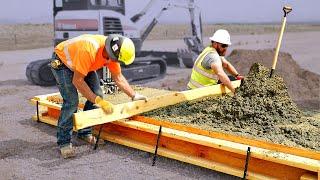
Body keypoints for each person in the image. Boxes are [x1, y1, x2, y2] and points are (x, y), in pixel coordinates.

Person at [51, 34, 147, 158]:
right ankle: (64, 142)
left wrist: (133, 95)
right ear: (112, 53)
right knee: (71, 101)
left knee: (97, 93)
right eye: (118, 60)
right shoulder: (89, 50)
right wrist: (99, 102)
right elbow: (78, 81)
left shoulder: (112, 52)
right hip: (63, 63)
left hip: (82, 63)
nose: (117, 63)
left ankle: (84, 132)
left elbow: (118, 77)